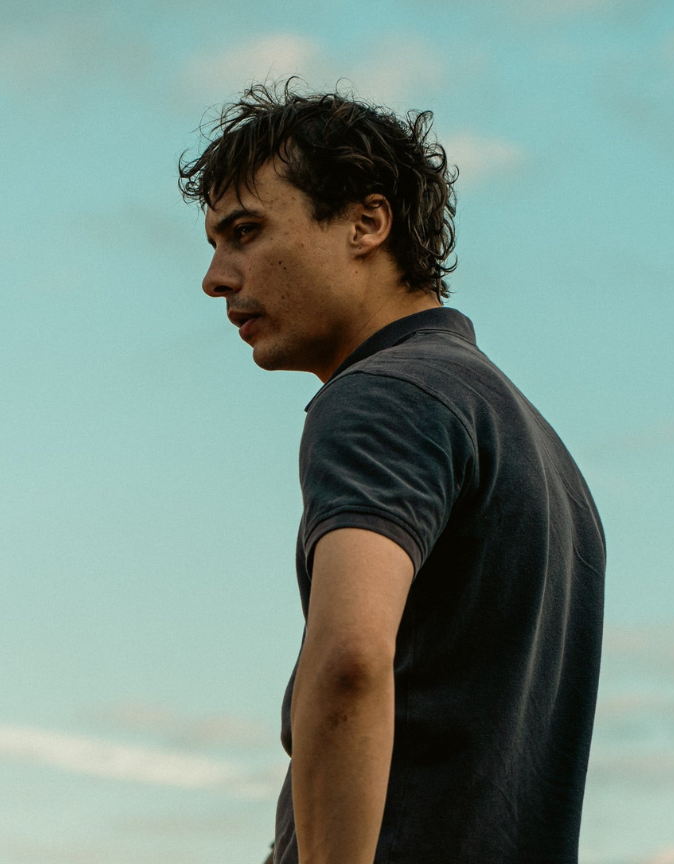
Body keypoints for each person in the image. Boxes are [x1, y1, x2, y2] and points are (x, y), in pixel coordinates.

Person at [180, 81, 607, 864]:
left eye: (244, 233)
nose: (215, 276)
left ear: (365, 223)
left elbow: (348, 660)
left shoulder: (382, 396)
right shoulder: (527, 437)